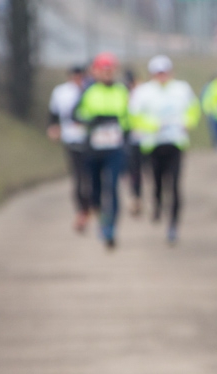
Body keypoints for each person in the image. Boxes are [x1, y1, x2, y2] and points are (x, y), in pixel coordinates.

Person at [129, 55, 201, 245]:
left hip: (175, 142)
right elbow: (134, 117)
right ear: (152, 74)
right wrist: (152, 125)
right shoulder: (143, 92)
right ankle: (158, 205)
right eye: (158, 73)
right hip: (153, 144)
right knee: (157, 183)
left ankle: (173, 226)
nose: (162, 76)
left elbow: (194, 109)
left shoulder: (181, 89)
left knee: (176, 186)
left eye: (164, 72)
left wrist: (189, 122)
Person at [73, 52, 131, 250]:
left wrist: (122, 129)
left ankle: (111, 228)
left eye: (110, 69)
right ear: (96, 71)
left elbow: (129, 117)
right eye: (103, 70)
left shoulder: (122, 91)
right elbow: (77, 114)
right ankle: (102, 219)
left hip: (114, 148)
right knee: (95, 189)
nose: (107, 73)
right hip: (94, 149)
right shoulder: (88, 91)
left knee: (113, 187)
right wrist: (93, 121)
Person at [47, 64, 90, 232]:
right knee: (78, 177)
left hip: (91, 140)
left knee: (92, 176)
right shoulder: (61, 92)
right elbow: (53, 113)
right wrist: (53, 127)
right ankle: (82, 210)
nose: (78, 80)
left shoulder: (91, 90)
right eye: (75, 76)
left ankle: (92, 206)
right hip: (71, 139)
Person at [122, 69, 144, 216]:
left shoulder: (143, 94)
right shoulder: (122, 95)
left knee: (141, 170)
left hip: (145, 136)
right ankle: (136, 197)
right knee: (133, 170)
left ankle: (138, 196)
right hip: (129, 137)